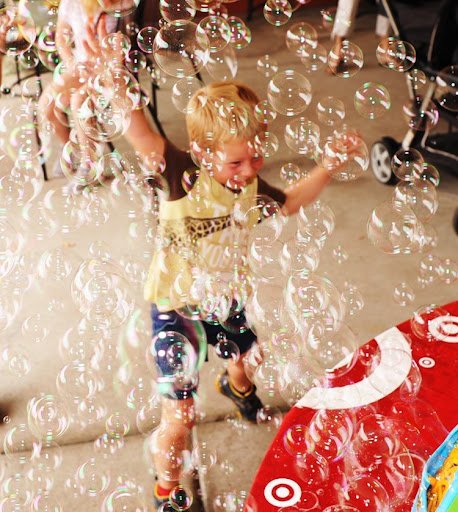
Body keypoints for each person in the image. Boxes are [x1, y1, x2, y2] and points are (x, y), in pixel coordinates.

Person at [122, 81, 361, 509]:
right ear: (202, 152)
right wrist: (115, 86)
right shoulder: (180, 173)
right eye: (236, 161)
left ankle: (237, 390)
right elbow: (137, 131)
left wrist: (328, 166)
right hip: (176, 309)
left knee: (249, 358)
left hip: (224, 297)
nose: (249, 169)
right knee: (179, 420)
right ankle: (166, 490)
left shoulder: (248, 185)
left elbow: (287, 203)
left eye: (256, 156)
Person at [38, 0, 117, 179]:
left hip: (107, 67)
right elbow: (61, 36)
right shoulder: (70, 3)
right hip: (79, 65)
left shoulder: (112, 3)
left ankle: (90, 164)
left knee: (79, 101)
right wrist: (71, 62)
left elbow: (112, 45)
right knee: (46, 104)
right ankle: (72, 150)